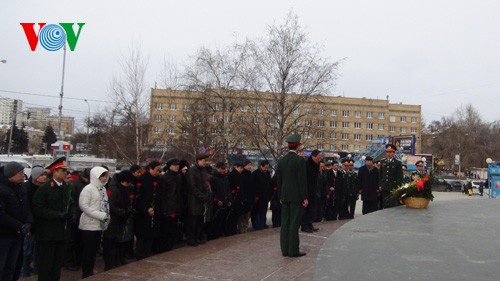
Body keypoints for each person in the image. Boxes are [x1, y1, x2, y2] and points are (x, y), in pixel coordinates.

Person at [32, 157, 75, 281]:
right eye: (62, 170)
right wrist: (58, 214)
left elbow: (71, 203)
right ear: (54, 172)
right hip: (48, 233)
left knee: (57, 263)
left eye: (66, 171)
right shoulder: (45, 189)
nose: (65, 173)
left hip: (62, 232)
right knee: (46, 264)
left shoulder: (67, 187)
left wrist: (72, 213)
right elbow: (38, 208)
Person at [275, 133, 308, 258]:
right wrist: (304, 197)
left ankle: (285, 250)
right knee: (294, 223)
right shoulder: (299, 161)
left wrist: (280, 196)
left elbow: (279, 180)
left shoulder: (282, 160)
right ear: (298, 146)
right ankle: (293, 250)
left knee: (285, 223)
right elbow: (302, 181)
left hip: (284, 196)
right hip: (296, 197)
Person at [0, 162, 32, 281]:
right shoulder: (2, 189)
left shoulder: (21, 188)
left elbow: (27, 208)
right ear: (11, 174)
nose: (23, 175)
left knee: (12, 267)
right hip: (3, 236)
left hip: (17, 235)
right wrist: (20, 226)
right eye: (20, 173)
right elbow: (1, 215)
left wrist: (28, 223)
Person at [79, 166, 110, 278]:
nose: (104, 178)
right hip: (89, 225)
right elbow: (84, 206)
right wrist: (100, 215)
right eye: (102, 176)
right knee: (88, 250)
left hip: (99, 225)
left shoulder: (103, 189)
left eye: (105, 176)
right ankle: (86, 273)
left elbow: (105, 204)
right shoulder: (89, 188)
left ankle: (90, 271)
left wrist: (107, 217)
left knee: (94, 250)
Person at [102, 170, 135, 270]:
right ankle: (110, 263)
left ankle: (119, 259)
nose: (129, 184)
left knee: (120, 241)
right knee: (110, 243)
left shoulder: (127, 188)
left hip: (122, 219)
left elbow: (129, 200)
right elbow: (111, 206)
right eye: (127, 182)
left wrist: (129, 209)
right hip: (113, 220)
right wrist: (122, 212)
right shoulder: (113, 189)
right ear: (122, 181)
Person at [20, 166, 48, 277]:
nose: (45, 177)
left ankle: (36, 268)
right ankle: (25, 269)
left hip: (41, 223)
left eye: (45, 175)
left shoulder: (44, 188)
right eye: (42, 175)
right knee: (27, 249)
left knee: (38, 249)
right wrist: (28, 224)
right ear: (35, 177)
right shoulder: (26, 188)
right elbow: (26, 208)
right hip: (30, 224)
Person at [134, 161, 162, 259]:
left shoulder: (158, 179)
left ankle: (147, 251)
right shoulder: (142, 179)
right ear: (150, 169)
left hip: (155, 211)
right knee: (142, 234)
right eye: (157, 170)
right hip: (143, 212)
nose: (158, 172)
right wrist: (146, 208)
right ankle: (140, 253)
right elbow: (138, 197)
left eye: (160, 170)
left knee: (151, 233)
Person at [64, 167, 90, 271]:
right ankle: (69, 261)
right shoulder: (74, 184)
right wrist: (73, 214)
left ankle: (79, 260)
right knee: (71, 241)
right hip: (75, 215)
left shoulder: (87, 184)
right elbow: (72, 201)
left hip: (84, 215)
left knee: (80, 240)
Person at [185, 153, 211, 246]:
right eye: (203, 161)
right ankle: (191, 239)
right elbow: (193, 187)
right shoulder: (192, 171)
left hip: (202, 201)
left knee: (200, 221)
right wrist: (203, 197)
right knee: (193, 221)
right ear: (198, 161)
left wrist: (207, 194)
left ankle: (197, 237)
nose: (205, 162)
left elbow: (206, 184)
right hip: (194, 201)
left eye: (205, 161)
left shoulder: (203, 170)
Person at [159, 158, 183, 251]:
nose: (177, 166)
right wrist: (164, 209)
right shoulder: (164, 178)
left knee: (174, 228)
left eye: (178, 164)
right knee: (166, 229)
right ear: (169, 166)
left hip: (176, 206)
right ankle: (164, 247)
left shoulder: (178, 176)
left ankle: (170, 245)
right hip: (168, 207)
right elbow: (163, 195)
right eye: (174, 165)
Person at [209, 161, 231, 239]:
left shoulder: (225, 177)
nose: (224, 170)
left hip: (225, 202)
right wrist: (217, 200)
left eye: (224, 168)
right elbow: (212, 192)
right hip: (217, 203)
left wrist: (229, 200)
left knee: (222, 219)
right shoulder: (213, 178)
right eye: (222, 168)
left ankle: (220, 232)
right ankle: (213, 235)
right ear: (217, 168)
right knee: (215, 219)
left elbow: (228, 190)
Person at [301, 150, 321, 233]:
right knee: (306, 209)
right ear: (313, 156)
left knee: (312, 209)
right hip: (307, 190)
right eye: (319, 157)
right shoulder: (307, 164)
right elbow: (304, 179)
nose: (320, 159)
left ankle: (309, 224)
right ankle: (304, 226)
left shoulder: (317, 164)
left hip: (314, 190)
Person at [379, 144, 403, 208]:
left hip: (393, 186)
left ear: (394, 152)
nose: (388, 154)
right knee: (385, 203)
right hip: (384, 186)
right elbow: (380, 174)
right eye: (387, 152)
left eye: (390, 152)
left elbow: (399, 176)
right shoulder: (383, 161)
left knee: (392, 203)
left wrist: (398, 187)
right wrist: (380, 185)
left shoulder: (397, 162)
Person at [251, 160, 272, 231]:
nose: (266, 169)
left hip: (266, 196)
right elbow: (253, 186)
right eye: (265, 167)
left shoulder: (268, 173)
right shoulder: (255, 173)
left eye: (267, 168)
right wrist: (256, 196)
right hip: (258, 196)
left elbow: (269, 184)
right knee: (257, 211)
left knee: (264, 210)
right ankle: (257, 225)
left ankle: (262, 223)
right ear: (261, 166)